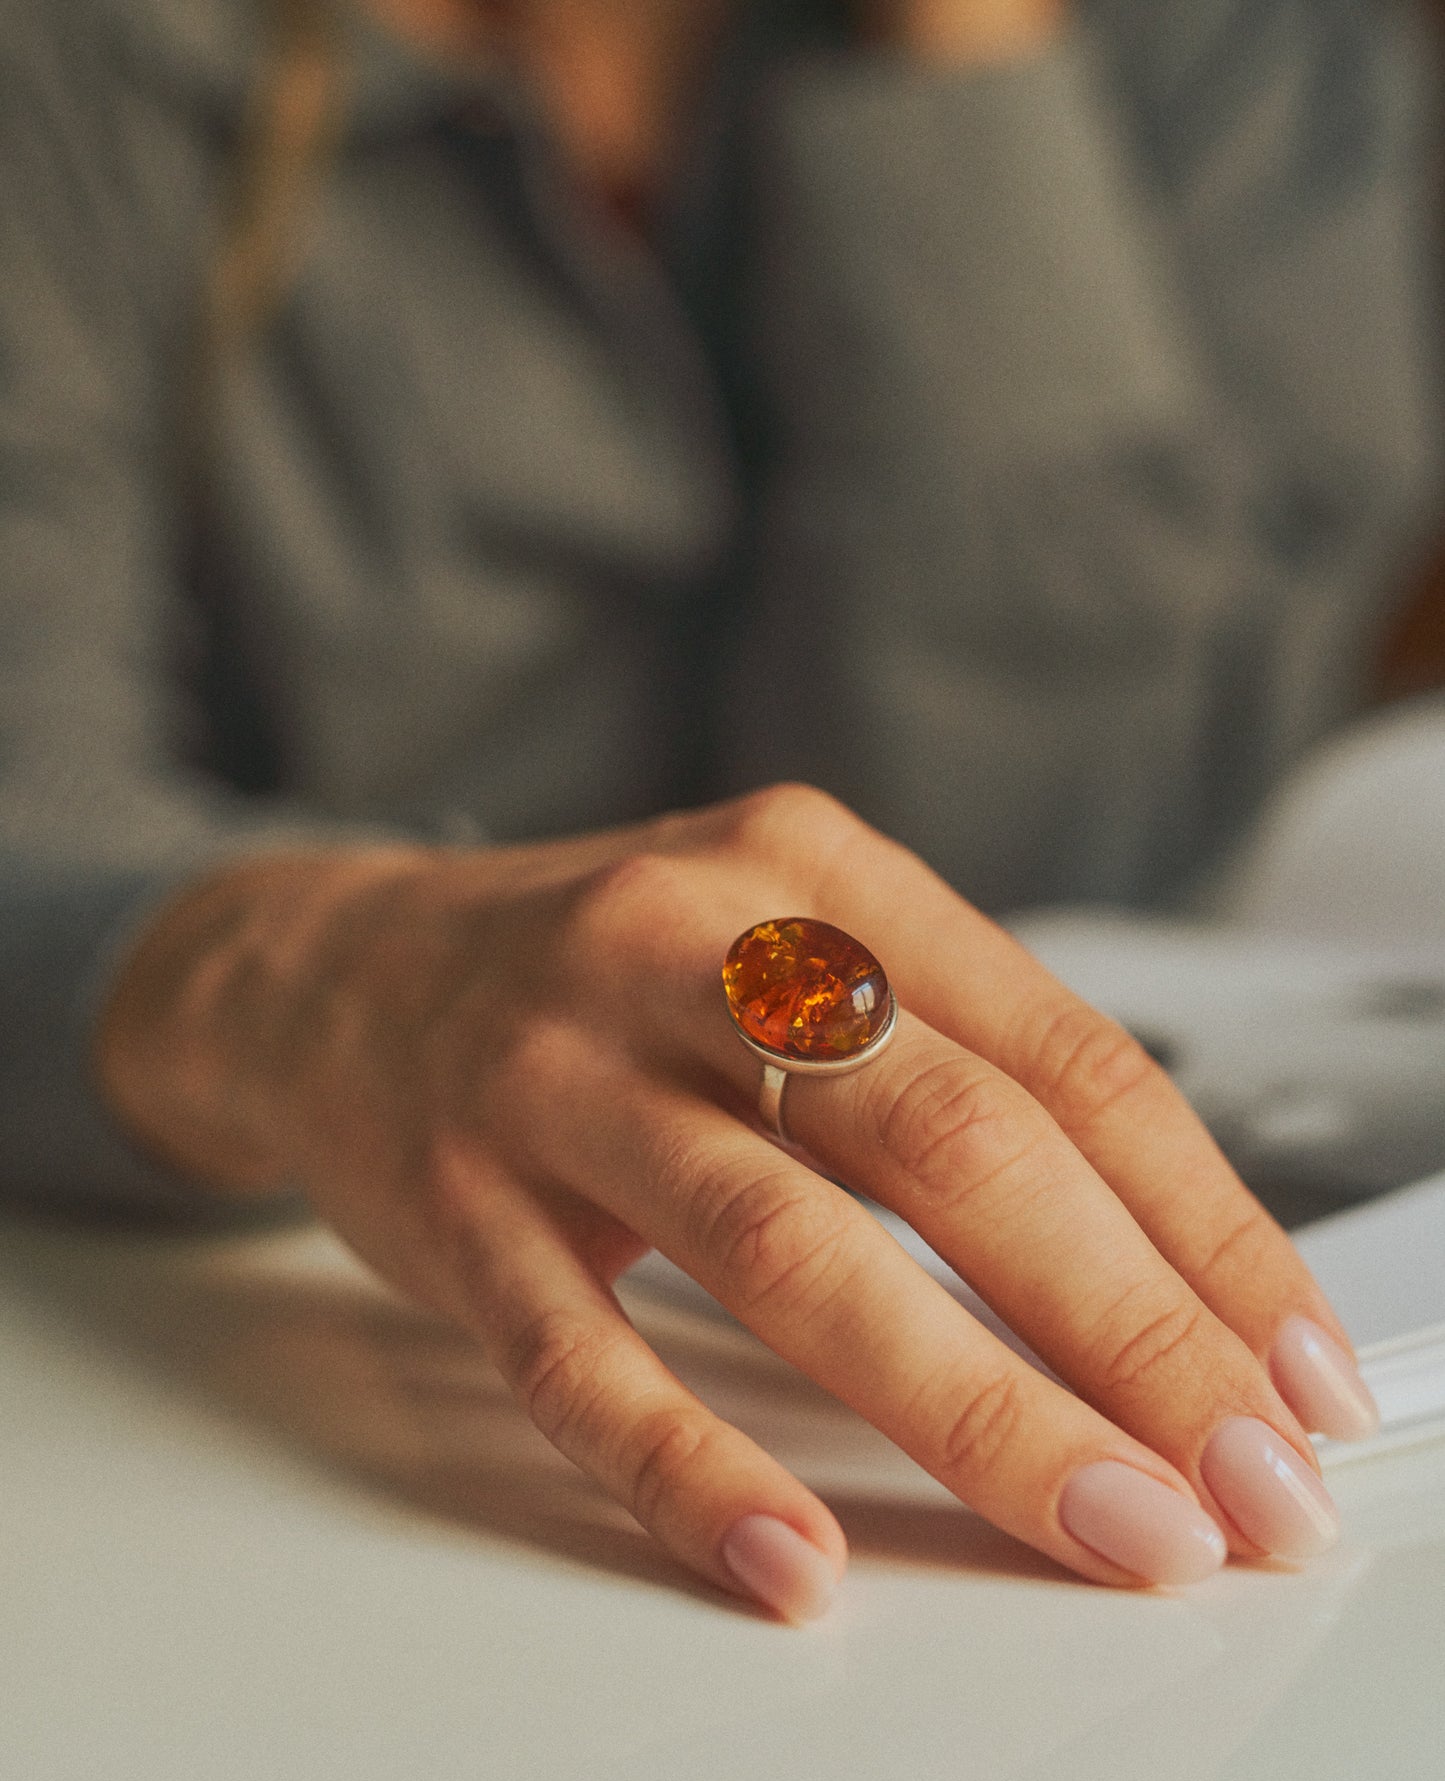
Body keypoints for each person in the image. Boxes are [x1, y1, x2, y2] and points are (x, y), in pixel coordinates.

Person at [0, 0, 1425, 1619]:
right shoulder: (78, 59)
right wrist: (313, 970)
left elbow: (1076, 857)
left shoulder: (1247, 47)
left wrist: (967, 58)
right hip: (249, 1377)